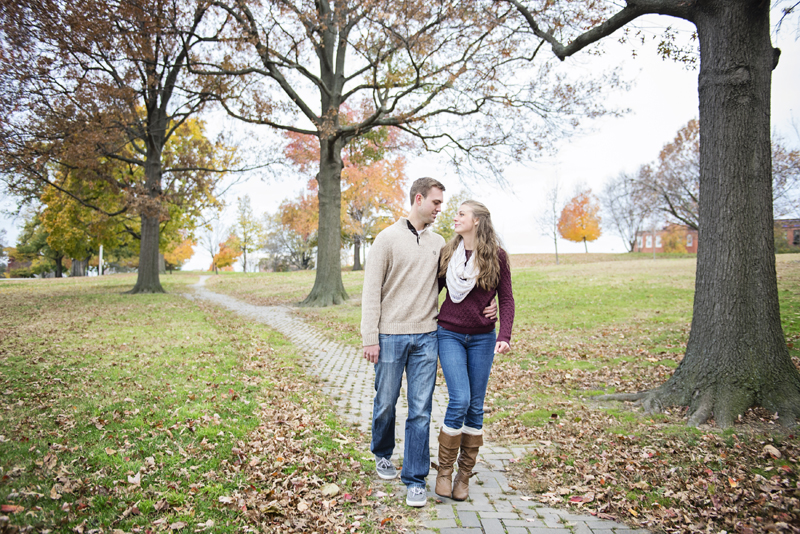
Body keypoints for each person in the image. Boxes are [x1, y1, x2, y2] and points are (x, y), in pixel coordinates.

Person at [361, 179, 496, 508]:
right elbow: (370, 291)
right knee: (385, 403)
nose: (440, 209)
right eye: (435, 203)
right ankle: (382, 453)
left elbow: (462, 282)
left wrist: (492, 306)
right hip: (389, 335)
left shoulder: (440, 244)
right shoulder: (386, 239)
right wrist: (370, 337)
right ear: (418, 199)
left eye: (442, 203)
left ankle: (415, 478)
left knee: (420, 410)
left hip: (426, 335)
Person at [433, 200, 515, 502]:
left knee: (475, 405)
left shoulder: (497, 257)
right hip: (450, 333)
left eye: (461, 214)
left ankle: (463, 476)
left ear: (477, 221)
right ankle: (443, 471)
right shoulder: (448, 254)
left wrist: (504, 334)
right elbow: (434, 289)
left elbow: (506, 299)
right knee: (461, 399)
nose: (455, 218)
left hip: (482, 338)